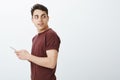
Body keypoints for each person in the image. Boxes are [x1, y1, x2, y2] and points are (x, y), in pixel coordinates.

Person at [15, 3, 61, 80]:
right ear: (32, 20)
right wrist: (26, 55)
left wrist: (28, 56)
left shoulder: (51, 35)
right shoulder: (35, 38)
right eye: (36, 17)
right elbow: (38, 61)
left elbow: (51, 63)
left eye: (43, 16)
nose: (40, 20)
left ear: (48, 18)